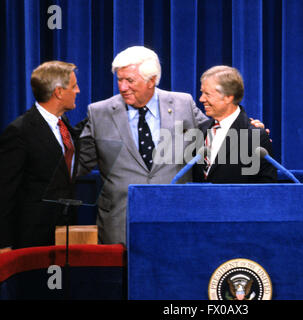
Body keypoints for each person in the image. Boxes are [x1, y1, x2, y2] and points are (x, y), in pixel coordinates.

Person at [78, 46, 267, 245]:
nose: (123, 87)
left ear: (151, 80)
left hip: (176, 218)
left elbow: (217, 131)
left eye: (130, 80)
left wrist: (248, 129)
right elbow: (79, 164)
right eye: (119, 79)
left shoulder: (182, 104)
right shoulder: (99, 112)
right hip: (120, 221)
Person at [0, 61, 81, 252]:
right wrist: (4, 244)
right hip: (32, 238)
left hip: (64, 232)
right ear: (59, 92)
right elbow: (5, 192)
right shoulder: (20, 131)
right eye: (74, 86)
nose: (77, 91)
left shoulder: (65, 126)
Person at [192, 66, 276, 183]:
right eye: (202, 93)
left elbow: (266, 186)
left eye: (207, 94)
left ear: (228, 97)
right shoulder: (201, 130)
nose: (201, 99)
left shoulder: (255, 136)